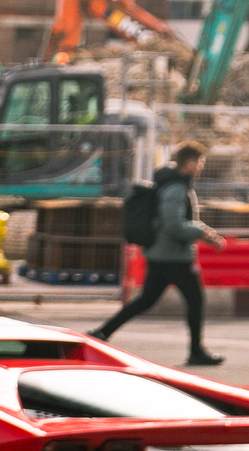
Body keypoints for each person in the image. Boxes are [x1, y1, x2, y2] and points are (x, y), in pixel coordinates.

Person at [94, 142, 225, 367]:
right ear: (191, 163)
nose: (201, 167)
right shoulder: (175, 189)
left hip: (162, 254)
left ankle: (102, 333)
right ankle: (196, 351)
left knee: (146, 300)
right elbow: (174, 225)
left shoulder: (173, 185)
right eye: (200, 162)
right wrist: (206, 234)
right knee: (195, 300)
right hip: (174, 257)